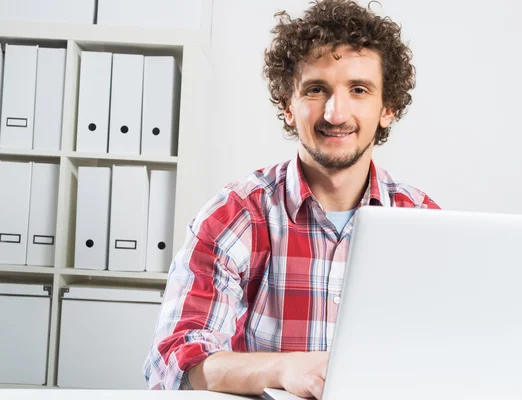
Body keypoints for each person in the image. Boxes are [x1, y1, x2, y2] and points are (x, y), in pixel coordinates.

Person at [143, 0, 440, 398]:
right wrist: (284, 367)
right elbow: (176, 361)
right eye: (316, 89)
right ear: (287, 104)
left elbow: (453, 352)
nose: (336, 114)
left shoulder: (423, 221)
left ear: (387, 108)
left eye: (358, 90)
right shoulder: (236, 214)